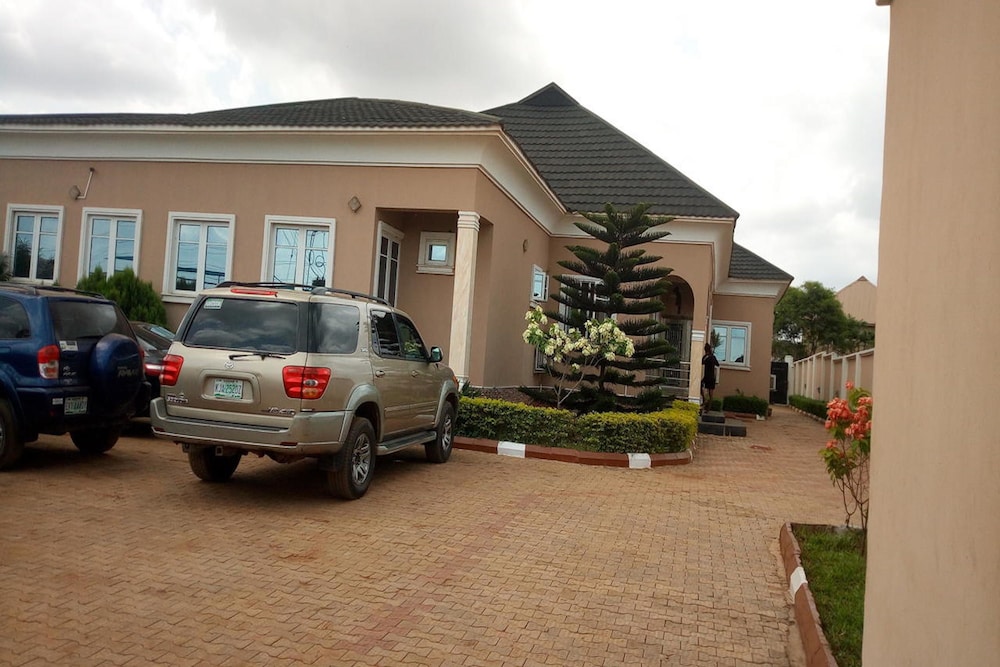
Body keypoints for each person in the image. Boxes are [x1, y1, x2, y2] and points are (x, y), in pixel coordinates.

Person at [701, 343, 720, 413]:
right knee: (710, 393)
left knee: (701, 387)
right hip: (711, 377)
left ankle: (705, 401)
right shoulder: (713, 357)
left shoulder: (706, 357)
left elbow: (702, 362)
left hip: (707, 376)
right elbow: (717, 364)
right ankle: (708, 407)